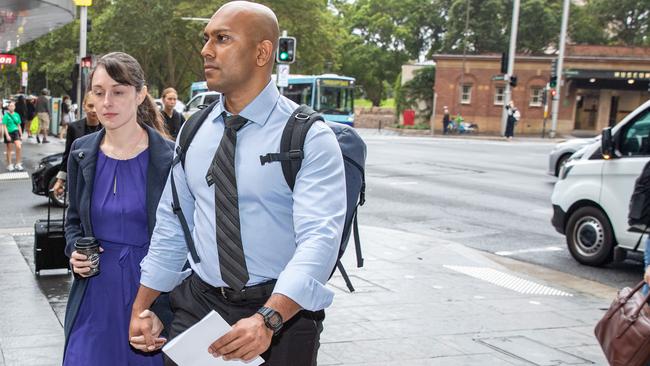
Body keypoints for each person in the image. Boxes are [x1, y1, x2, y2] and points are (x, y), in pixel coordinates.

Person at [129, 2, 347, 365]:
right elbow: (173, 222)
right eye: (206, 38)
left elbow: (320, 239)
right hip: (200, 306)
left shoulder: (309, 137)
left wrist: (268, 319)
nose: (206, 50)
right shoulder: (193, 130)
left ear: (262, 52)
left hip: (283, 315)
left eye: (222, 38)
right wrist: (141, 306)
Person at [62, 52, 174, 366]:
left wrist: (162, 309)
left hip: (150, 295)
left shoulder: (169, 157)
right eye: (99, 92)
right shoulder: (81, 152)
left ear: (140, 94)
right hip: (93, 295)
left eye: (118, 91)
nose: (107, 101)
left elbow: (183, 238)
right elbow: (73, 222)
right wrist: (74, 252)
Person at [51, 91, 102, 197]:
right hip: (78, 181)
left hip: (101, 181)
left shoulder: (108, 129)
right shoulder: (73, 128)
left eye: (97, 106)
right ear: (84, 106)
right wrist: (60, 180)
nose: (94, 110)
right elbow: (67, 156)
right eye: (90, 106)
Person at [2, 101, 23, 172]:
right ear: (8, 107)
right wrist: (7, 135)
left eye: (13, 106)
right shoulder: (6, 115)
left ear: (15, 107)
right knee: (9, 149)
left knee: (19, 147)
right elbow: (4, 126)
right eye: (10, 106)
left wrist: (21, 134)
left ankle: (18, 163)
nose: (11, 107)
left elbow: (19, 125)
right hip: (8, 132)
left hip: (16, 132)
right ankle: (9, 165)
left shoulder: (17, 115)